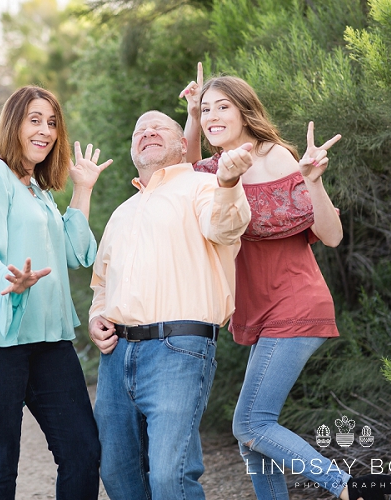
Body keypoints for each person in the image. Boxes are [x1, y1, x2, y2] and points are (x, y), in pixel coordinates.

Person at [178, 66, 391, 500]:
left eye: (223, 106)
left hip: (295, 303)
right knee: (255, 436)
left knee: (250, 424)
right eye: (207, 110)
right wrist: (189, 114)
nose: (213, 116)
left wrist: (313, 181)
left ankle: (351, 488)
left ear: (245, 112)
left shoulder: (274, 155)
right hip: (262, 310)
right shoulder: (215, 169)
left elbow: (332, 236)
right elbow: (182, 177)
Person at [0, 85, 108, 499]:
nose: (46, 130)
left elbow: (74, 253)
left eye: (52, 123)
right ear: (13, 124)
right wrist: (9, 282)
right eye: (35, 120)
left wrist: (83, 189)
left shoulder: (38, 188)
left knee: (83, 451)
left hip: (49, 341)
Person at [87, 109, 252, 499]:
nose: (147, 132)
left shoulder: (203, 186)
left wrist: (228, 181)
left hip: (179, 348)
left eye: (159, 127)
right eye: (139, 130)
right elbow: (101, 284)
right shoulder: (121, 213)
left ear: (182, 144)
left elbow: (225, 226)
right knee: (116, 472)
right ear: (132, 150)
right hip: (116, 356)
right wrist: (97, 316)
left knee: (169, 476)